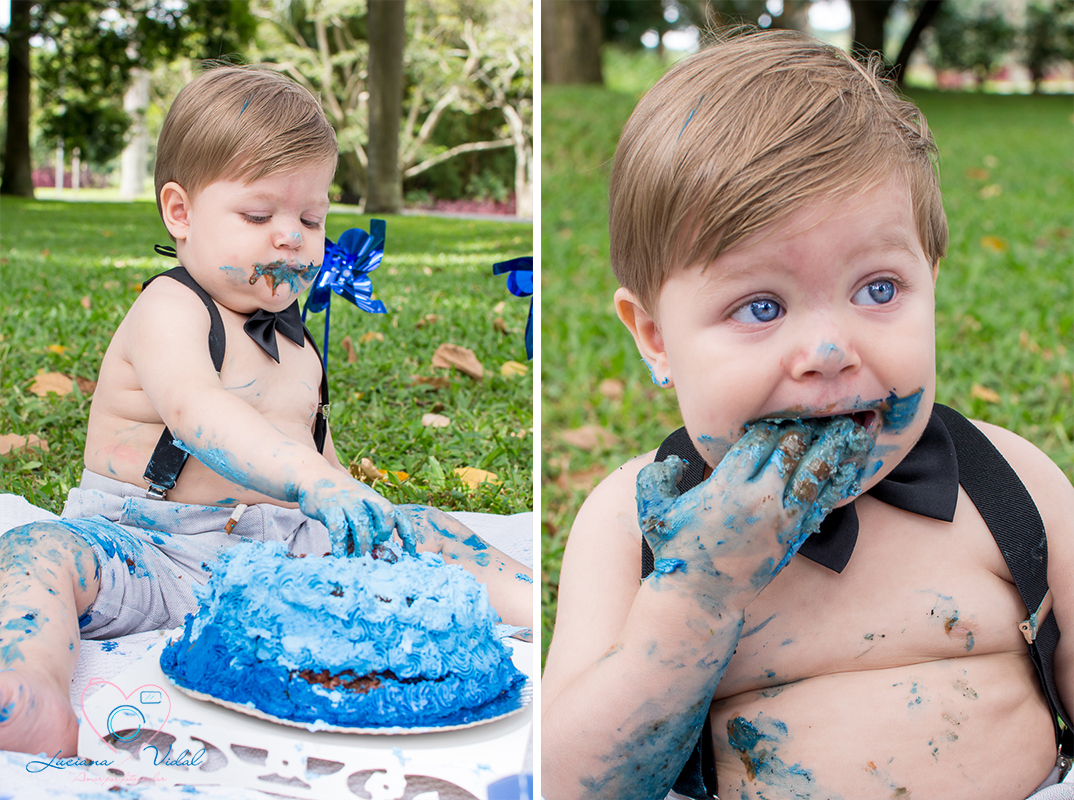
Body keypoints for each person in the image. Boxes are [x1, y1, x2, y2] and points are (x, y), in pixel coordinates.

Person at [541, 29, 1072, 800]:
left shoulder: (1009, 482)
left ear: (933, 281)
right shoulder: (630, 527)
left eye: (879, 290)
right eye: (761, 306)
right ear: (655, 338)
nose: (828, 348)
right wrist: (695, 598)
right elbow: (566, 783)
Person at [0, 65, 532, 758]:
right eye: (259, 216)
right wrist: (313, 482)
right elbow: (198, 413)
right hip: (151, 549)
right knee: (36, 552)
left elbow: (319, 456)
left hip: (281, 559)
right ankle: (25, 684)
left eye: (311, 219)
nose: (292, 238)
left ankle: (549, 620)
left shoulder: (297, 343)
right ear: (180, 213)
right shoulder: (172, 308)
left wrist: (351, 507)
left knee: (423, 527)